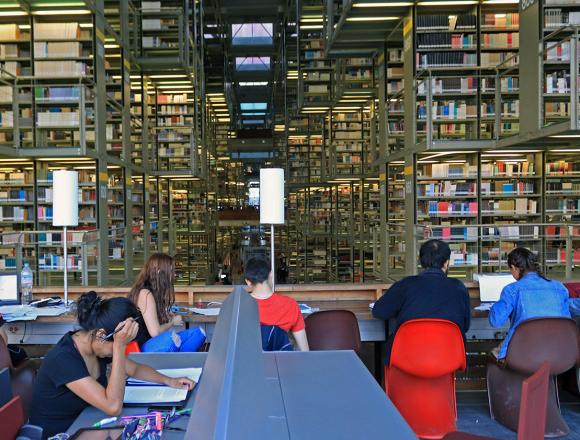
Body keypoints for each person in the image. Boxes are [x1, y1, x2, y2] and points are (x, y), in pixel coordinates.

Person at [29, 292, 194, 438]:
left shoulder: (96, 346)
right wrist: (119, 345)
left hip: (87, 422)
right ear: (101, 335)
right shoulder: (63, 358)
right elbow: (113, 406)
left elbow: (134, 368)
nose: (117, 351)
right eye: (115, 345)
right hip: (60, 433)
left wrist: (169, 381)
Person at [372, 239, 471, 364]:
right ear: (446, 263)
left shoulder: (406, 285)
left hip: (406, 358)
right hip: (448, 359)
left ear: (420, 262)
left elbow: (379, 312)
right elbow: (465, 326)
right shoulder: (459, 287)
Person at [489, 247, 571, 360]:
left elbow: (495, 321)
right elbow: (566, 321)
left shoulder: (512, 290)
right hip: (559, 354)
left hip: (523, 355)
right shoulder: (559, 287)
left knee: (494, 354)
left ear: (514, 268)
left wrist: (497, 304)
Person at [128, 253, 205, 352]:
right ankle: (178, 362)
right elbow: (155, 332)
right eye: (172, 271)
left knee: (199, 333)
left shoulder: (152, 291)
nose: (174, 274)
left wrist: (165, 316)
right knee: (171, 339)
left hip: (152, 342)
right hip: (140, 347)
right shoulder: (145, 294)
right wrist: (172, 322)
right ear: (160, 272)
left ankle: (179, 361)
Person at [244, 257, 309, 351]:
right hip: (282, 363)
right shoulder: (290, 305)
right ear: (271, 275)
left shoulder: (239, 306)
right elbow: (305, 351)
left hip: (248, 363)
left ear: (248, 282)